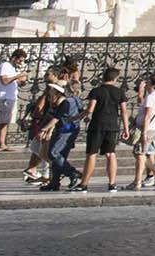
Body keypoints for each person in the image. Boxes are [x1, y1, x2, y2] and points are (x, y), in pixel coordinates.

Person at [77, 66, 127, 193]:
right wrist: (125, 128)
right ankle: (112, 184)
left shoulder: (96, 91)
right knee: (110, 154)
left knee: (92, 153)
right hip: (112, 125)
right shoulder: (119, 92)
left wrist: (76, 117)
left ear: (103, 77)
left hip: (97, 125)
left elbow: (90, 109)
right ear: (115, 78)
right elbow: (124, 111)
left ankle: (84, 184)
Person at [41, 64, 87, 192]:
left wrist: (45, 129)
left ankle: (72, 173)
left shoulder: (66, 101)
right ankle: (54, 182)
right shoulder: (77, 100)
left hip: (64, 130)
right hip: (72, 129)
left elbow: (57, 117)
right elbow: (83, 113)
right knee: (60, 155)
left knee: (53, 153)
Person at [0, 47, 26, 152]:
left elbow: (12, 81)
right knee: (2, 121)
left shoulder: (12, 68)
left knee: (5, 121)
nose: (21, 63)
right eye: (20, 60)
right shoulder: (5, 65)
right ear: (13, 58)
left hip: (10, 96)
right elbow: (4, 81)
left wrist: (21, 80)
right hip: (5, 97)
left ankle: (2, 143)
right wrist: (17, 76)